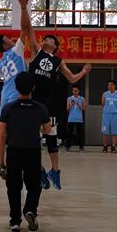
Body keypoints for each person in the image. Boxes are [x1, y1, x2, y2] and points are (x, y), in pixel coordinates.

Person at [26, 30, 91, 189]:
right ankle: (39, 170)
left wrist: (83, 72)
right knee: (33, 140)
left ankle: (55, 171)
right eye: (44, 38)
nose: (46, 40)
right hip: (32, 102)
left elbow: (72, 78)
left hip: (47, 104)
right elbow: (29, 31)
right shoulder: (37, 51)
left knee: (51, 137)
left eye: (49, 39)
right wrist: (24, 14)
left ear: (55, 46)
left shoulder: (58, 61)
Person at [0, 72, 51, 232]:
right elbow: (47, 130)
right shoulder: (40, 108)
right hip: (33, 151)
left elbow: (2, 136)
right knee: (34, 185)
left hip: (14, 151)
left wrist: (2, 163)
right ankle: (30, 210)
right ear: (33, 87)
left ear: (15, 87)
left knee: (13, 186)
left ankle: (15, 221)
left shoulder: (8, 108)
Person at [0, 0, 33, 117]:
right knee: (19, 125)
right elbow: (24, 28)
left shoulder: (0, 63)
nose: (11, 40)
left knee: (3, 126)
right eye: (8, 39)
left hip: (5, 97)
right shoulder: (16, 50)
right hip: (17, 96)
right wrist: (23, 7)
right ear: (5, 46)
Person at [101, 81, 117, 153]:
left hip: (115, 115)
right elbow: (102, 104)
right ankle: (105, 147)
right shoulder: (105, 94)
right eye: (108, 85)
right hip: (106, 114)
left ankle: (113, 147)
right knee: (105, 131)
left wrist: (116, 110)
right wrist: (107, 110)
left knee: (114, 132)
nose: (110, 86)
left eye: (111, 85)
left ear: (115, 86)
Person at [64, 86, 86, 152]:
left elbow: (84, 109)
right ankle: (68, 147)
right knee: (69, 134)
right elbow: (67, 109)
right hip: (71, 119)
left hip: (79, 119)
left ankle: (81, 147)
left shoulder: (82, 98)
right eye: (73, 90)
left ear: (79, 91)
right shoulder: (69, 98)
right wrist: (71, 104)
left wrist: (79, 104)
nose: (75, 92)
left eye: (76, 91)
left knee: (80, 134)